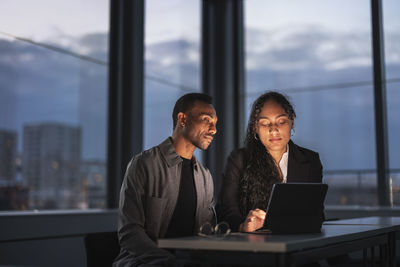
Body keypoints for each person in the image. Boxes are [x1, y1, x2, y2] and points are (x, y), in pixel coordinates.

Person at [113, 93, 218, 267]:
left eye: (215, 123)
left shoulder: (205, 176)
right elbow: (129, 233)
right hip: (144, 262)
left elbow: (207, 234)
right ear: (182, 119)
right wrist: (171, 262)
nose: (214, 129)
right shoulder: (143, 164)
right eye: (207, 120)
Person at [216, 91, 322, 233]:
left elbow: (317, 214)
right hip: (254, 246)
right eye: (265, 123)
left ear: (292, 121)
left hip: (299, 243)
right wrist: (243, 225)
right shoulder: (239, 159)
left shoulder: (310, 160)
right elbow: (225, 212)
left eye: (281, 121)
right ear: (255, 128)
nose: (274, 130)